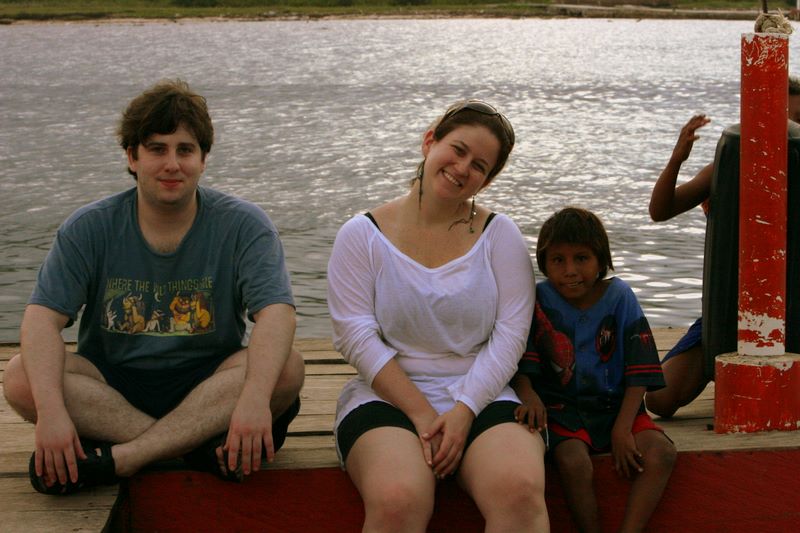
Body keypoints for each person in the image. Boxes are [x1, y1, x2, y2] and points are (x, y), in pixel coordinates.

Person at [3, 79, 305, 495]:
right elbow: (41, 321)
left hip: (208, 383)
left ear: (203, 159)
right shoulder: (89, 227)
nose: (172, 164)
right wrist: (52, 413)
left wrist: (254, 400)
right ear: (132, 157)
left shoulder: (244, 225)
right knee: (20, 377)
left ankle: (123, 458)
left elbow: (277, 314)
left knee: (287, 368)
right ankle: (193, 448)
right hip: (111, 386)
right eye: (157, 149)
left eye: (185, 150)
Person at [327, 100, 549, 532]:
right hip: (386, 396)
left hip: (482, 393)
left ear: (487, 179)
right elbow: (354, 337)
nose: (462, 168)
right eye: (458, 150)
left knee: (519, 491)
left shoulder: (499, 235)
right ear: (430, 141)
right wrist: (423, 414)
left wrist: (465, 410)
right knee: (398, 498)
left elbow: (510, 336)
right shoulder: (361, 235)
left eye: (479, 165)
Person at [512, 207, 675, 533]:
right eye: (558, 260)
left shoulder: (620, 296)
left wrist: (623, 428)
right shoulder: (538, 299)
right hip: (563, 411)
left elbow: (639, 369)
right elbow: (518, 355)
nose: (570, 270)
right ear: (544, 264)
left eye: (582, 258)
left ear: (601, 260)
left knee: (662, 453)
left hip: (617, 407)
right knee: (572, 461)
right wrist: (527, 393)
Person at [645, 76, 800, 417]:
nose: (787, 127)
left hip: (793, 308)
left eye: (796, 119)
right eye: (779, 118)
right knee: (659, 398)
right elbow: (660, 210)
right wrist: (677, 159)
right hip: (729, 309)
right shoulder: (726, 168)